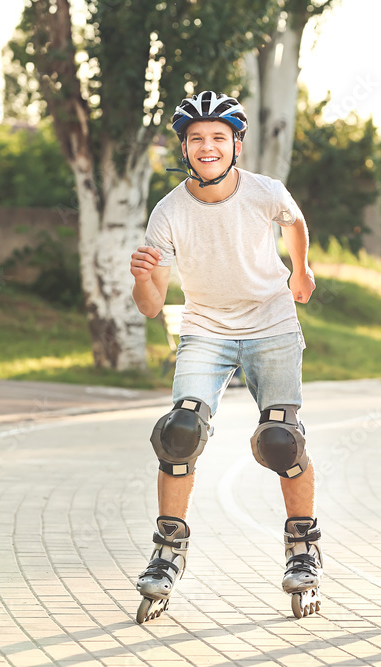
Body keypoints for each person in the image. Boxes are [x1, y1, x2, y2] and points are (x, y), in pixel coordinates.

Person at [129, 90, 321, 623]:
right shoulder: (168, 211)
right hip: (206, 328)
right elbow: (150, 308)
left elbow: (294, 220)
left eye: (218, 138)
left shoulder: (264, 192)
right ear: (185, 148)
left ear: (236, 144)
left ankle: (303, 547)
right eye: (197, 139)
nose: (207, 147)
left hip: (272, 323)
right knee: (179, 432)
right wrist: (145, 277)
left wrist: (300, 270)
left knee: (282, 440)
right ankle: (167, 553)